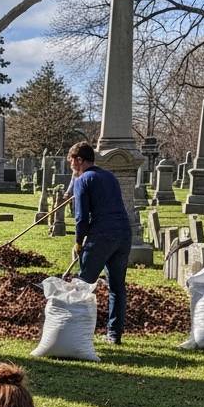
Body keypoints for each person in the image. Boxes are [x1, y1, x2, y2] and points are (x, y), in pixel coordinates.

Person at [68, 141, 132, 344]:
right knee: (117, 287)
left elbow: (81, 218)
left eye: (71, 161)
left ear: (79, 160)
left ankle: (76, 332)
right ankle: (114, 334)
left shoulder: (82, 180)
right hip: (123, 234)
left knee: (83, 285)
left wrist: (78, 242)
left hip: (102, 236)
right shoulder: (109, 176)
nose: (70, 166)